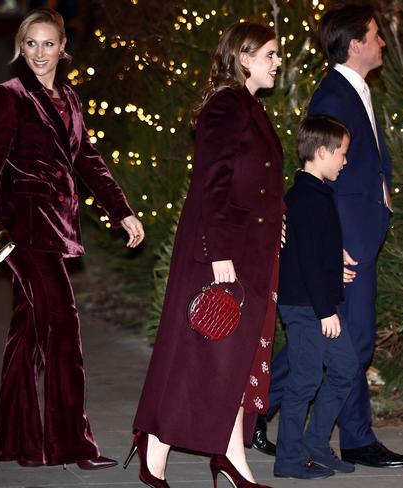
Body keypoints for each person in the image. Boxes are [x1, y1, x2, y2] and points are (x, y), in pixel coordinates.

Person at [0, 7, 144, 470]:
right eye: (30, 44)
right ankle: (71, 445)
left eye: (48, 44)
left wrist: (121, 211)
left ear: (64, 47)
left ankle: (17, 441)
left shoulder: (70, 98)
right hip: (21, 230)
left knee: (29, 331)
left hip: (57, 225)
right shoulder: (8, 96)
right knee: (63, 329)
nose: (39, 53)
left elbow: (88, 161)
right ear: (21, 48)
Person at [127, 21, 286, 488]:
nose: (278, 63)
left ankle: (231, 452)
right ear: (245, 57)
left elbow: (257, 180)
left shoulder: (250, 105)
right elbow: (211, 183)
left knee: (231, 358)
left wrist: (278, 222)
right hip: (222, 250)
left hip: (249, 248)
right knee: (201, 352)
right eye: (271, 55)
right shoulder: (226, 104)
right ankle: (155, 447)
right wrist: (219, 254)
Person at [262, 2, 403, 468]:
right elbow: (326, 181)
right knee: (349, 343)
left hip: (357, 238)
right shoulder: (333, 97)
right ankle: (354, 439)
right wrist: (338, 248)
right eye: (375, 34)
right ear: (354, 44)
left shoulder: (357, 90)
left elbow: (365, 166)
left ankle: (250, 411)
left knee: (329, 344)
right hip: (345, 245)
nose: (382, 41)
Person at [273, 115, 358, 480]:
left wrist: (333, 268)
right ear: (322, 152)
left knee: (344, 369)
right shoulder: (305, 198)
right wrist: (325, 310)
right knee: (305, 380)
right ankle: (289, 460)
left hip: (319, 302)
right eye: (341, 153)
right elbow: (304, 259)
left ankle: (317, 446)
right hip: (306, 307)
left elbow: (311, 251)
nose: (345, 160)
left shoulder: (318, 193)